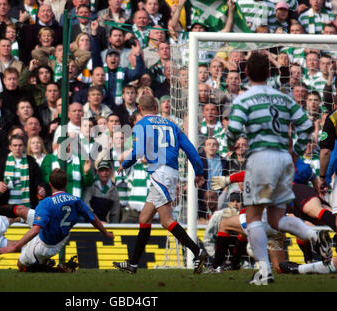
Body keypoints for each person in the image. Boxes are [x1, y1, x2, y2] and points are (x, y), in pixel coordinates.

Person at [226, 51, 329, 285]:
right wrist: (296, 151)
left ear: (247, 73)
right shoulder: (283, 98)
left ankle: (264, 271)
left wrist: (231, 143)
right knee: (276, 218)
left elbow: (233, 130)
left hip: (261, 157)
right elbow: (304, 126)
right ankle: (315, 234)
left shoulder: (244, 98)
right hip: (283, 159)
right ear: (270, 73)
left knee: (253, 216)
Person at [113, 94, 207, 274]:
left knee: (166, 220)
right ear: (156, 108)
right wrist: (199, 171)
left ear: (139, 109)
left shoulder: (141, 125)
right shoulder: (172, 124)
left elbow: (138, 151)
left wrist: (124, 164)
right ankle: (133, 264)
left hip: (160, 174)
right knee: (144, 218)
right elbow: (189, 148)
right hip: (170, 172)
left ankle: (197, 251)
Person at [0, 168, 114, 273]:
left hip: (46, 244)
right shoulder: (76, 200)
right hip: (62, 237)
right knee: (22, 211)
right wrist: (105, 233)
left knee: (20, 265)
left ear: (49, 184)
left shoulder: (46, 203)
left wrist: (16, 246)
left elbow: (36, 230)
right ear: (66, 183)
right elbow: (94, 219)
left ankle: (45, 267)